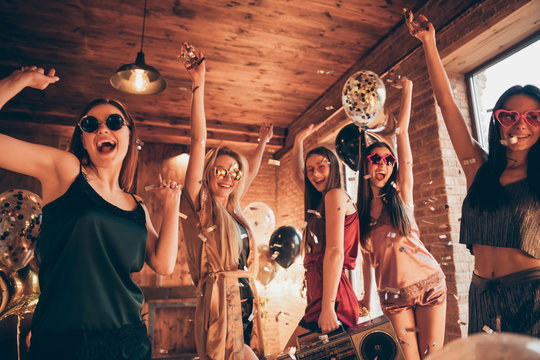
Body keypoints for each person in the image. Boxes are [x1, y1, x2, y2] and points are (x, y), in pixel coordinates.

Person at [0, 66, 181, 359]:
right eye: (90, 124)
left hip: (129, 343)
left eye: (113, 121)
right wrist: (17, 80)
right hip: (63, 345)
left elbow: (163, 264)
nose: (102, 129)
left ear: (129, 134)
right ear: (83, 139)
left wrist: (172, 204)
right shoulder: (66, 171)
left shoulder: (137, 206)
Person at [407, 11, 540, 336]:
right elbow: (447, 105)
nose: (520, 124)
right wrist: (429, 43)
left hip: (532, 295)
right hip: (482, 293)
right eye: (509, 115)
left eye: (533, 117)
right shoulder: (478, 168)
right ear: (497, 121)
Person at [179, 45, 273, 360]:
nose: (228, 177)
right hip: (222, 302)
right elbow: (198, 141)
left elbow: (250, 172)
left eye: (233, 173)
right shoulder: (199, 206)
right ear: (207, 173)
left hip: (247, 300)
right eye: (220, 170)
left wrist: (262, 144)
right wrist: (199, 83)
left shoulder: (233, 210)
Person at [358, 76, 447, 359]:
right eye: (375, 160)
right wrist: (366, 297)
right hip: (393, 297)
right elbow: (367, 261)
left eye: (388, 160)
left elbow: (402, 131)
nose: (382, 164)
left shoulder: (401, 196)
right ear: (365, 166)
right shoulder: (359, 213)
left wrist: (408, 89)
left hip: (429, 285)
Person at [285, 123, 360, 349]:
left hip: (333, 297)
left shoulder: (335, 195)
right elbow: (298, 176)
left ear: (334, 167)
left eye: (321, 167)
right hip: (322, 294)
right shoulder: (321, 200)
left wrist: (328, 306)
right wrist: (298, 141)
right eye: (310, 170)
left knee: (289, 353)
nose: (315, 173)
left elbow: (336, 252)